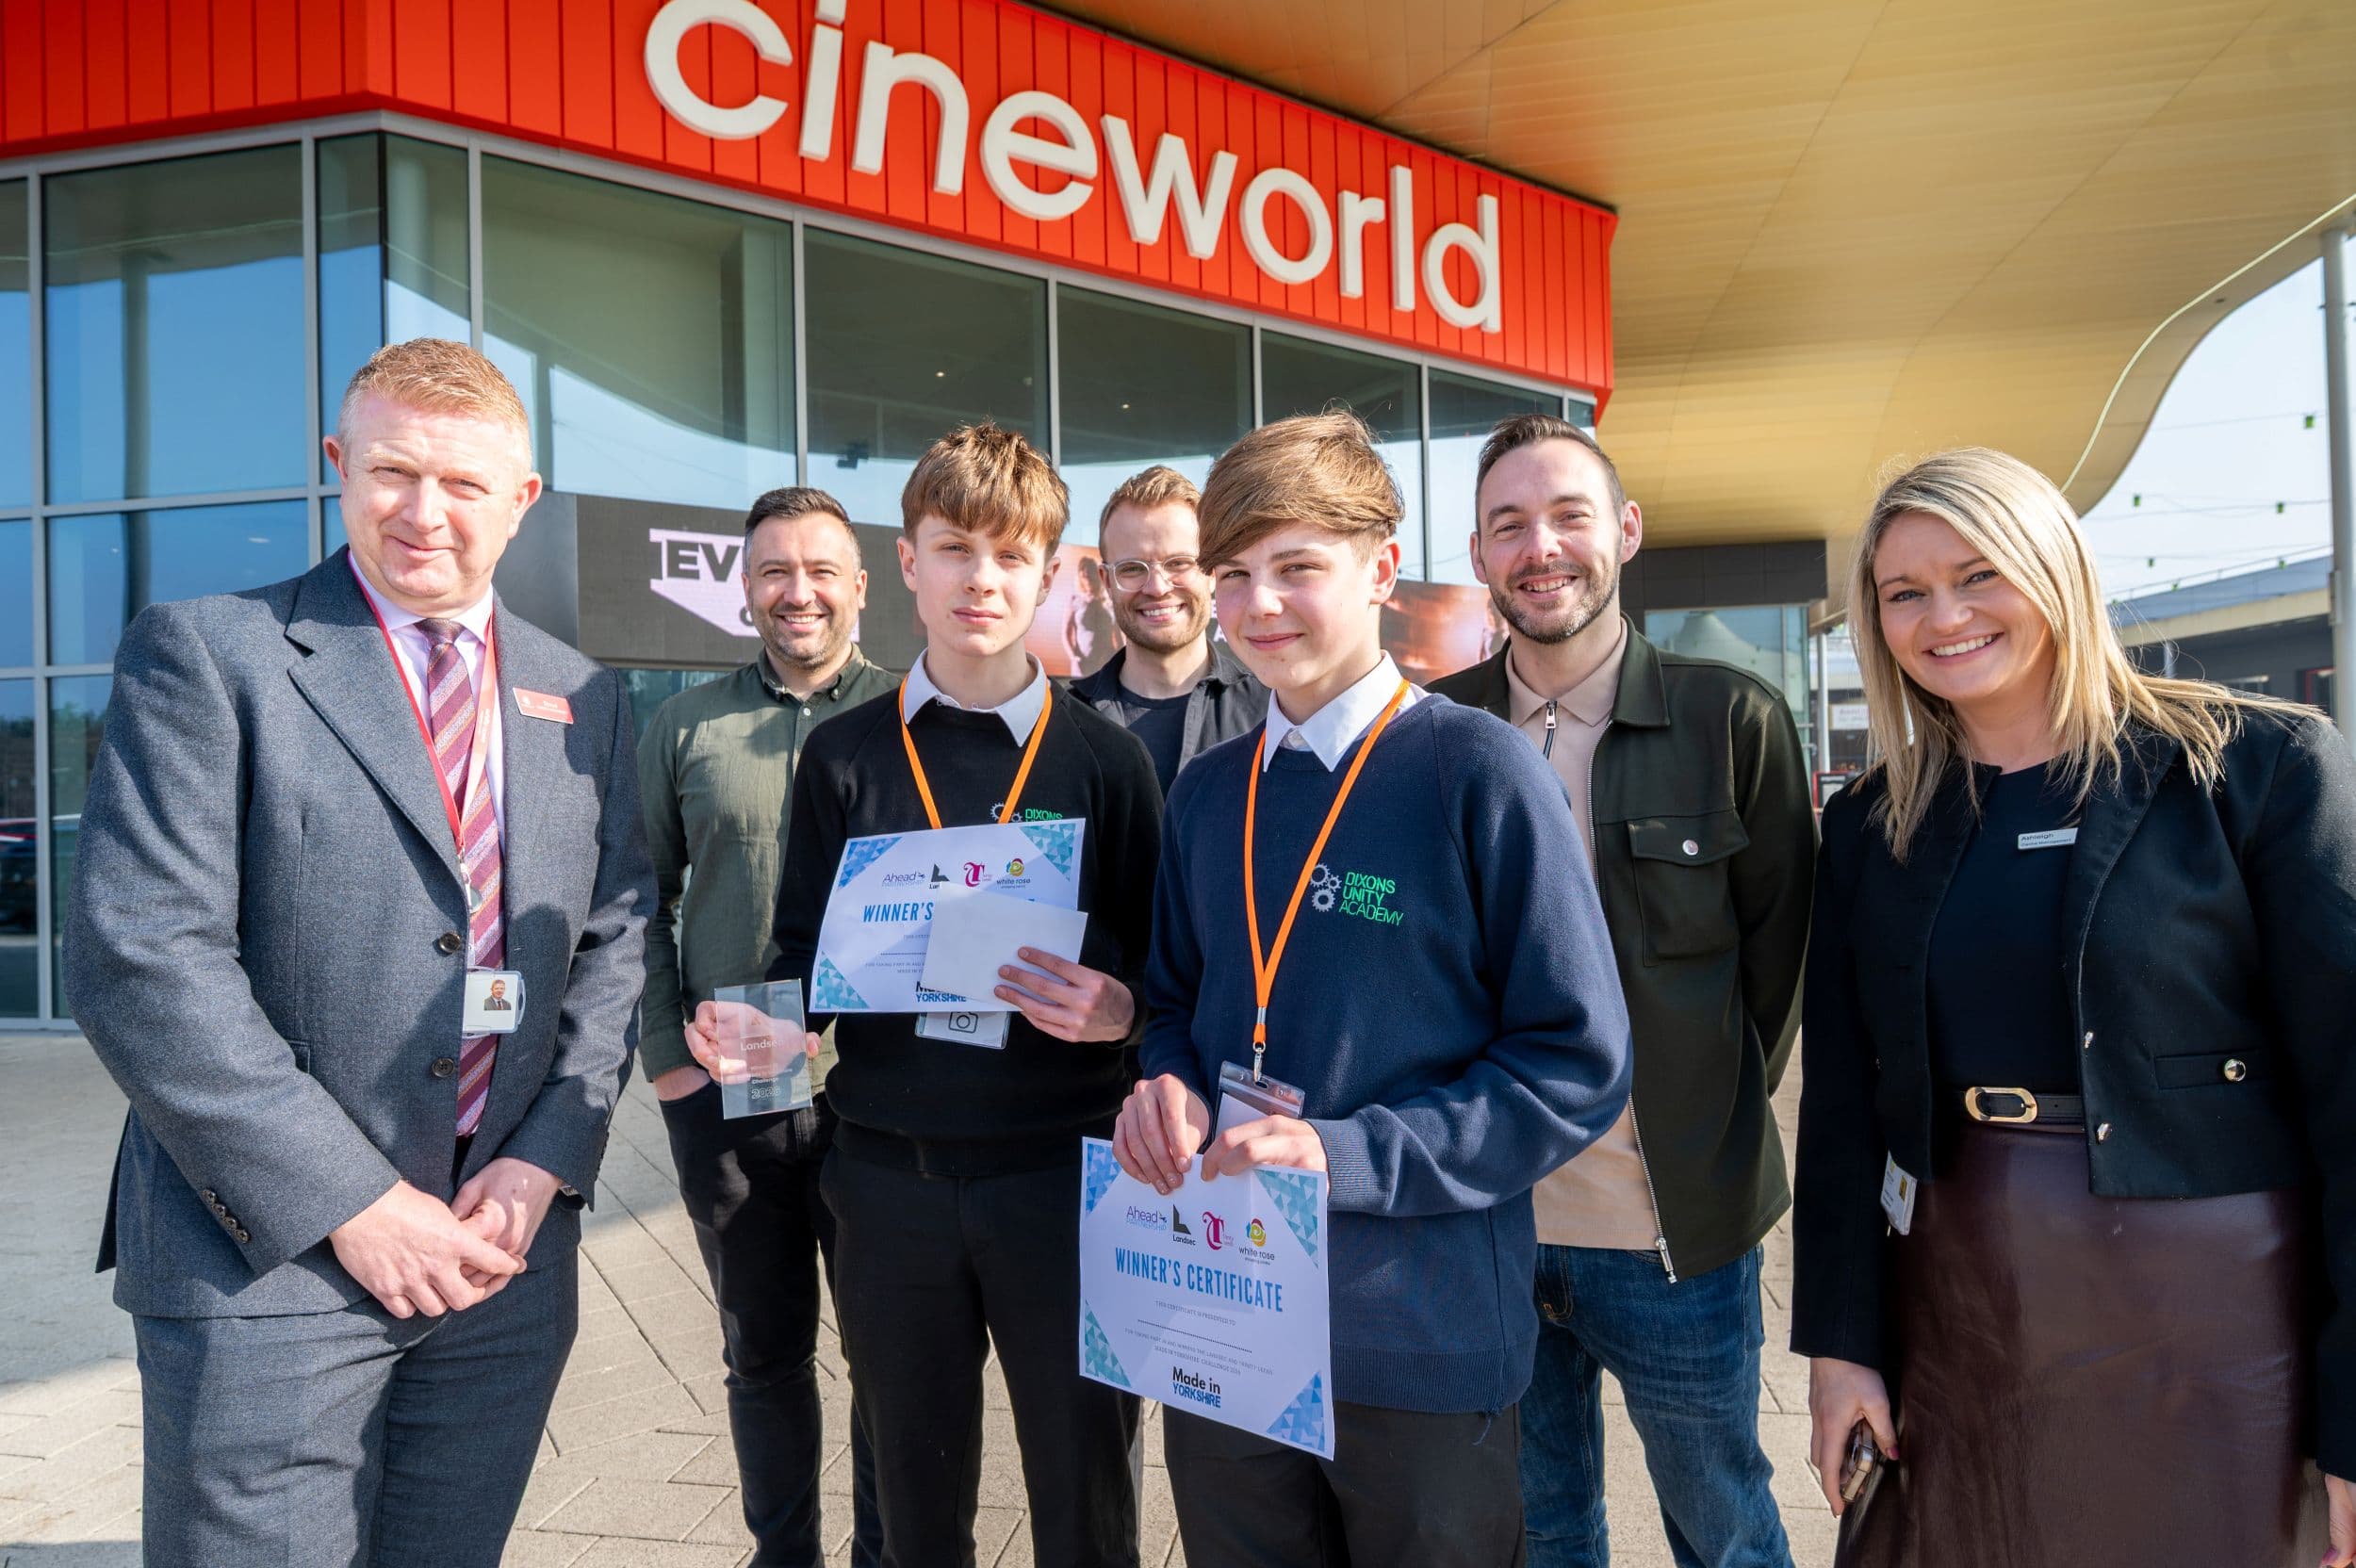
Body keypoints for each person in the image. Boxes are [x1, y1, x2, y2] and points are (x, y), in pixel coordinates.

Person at [65, 338, 653, 1568]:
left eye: (464, 484)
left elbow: (613, 943)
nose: (425, 513)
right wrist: (353, 1203)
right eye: (393, 472)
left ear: (522, 500)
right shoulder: (211, 655)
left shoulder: (582, 696)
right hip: (269, 1274)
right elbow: (145, 961)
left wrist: (545, 1163)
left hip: (500, 1262)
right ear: (339, 464)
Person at [1792, 448, 2356, 1568]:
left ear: (2055, 569)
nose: (1942, 615)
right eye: (1904, 593)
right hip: (1959, 1300)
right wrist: (1840, 1346)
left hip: (2214, 1311)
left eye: (1978, 573)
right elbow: (1843, 1112)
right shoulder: (1871, 825)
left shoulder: (2256, 766)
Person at [1115, 410, 1633, 1568]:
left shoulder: (1476, 770)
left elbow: (1574, 1062)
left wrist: (1346, 1154)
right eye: (1234, 574)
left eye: (1297, 566)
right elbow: (1170, 1004)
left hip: (1419, 1332)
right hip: (1225, 1313)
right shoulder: (1206, 794)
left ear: (1383, 568)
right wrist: (1165, 1087)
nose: (1259, 606)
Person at [688, 423, 1164, 1567]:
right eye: (954, 549)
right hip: (888, 1179)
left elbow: (1162, 969)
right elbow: (805, 953)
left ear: (1051, 575)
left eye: (1010, 556)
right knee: (910, 1497)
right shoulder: (845, 755)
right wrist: (765, 1022)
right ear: (906, 561)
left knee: (1085, 1490)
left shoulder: (1104, 761)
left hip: (1061, 1176)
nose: (981, 579)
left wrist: (1124, 1011)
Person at [1432, 416, 1810, 1568]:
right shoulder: (1436, 731)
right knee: (1539, 1531)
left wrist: (1694, 1129)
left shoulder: (1729, 719)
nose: (1540, 547)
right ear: (1479, 552)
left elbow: (1775, 971)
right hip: (1488, 1227)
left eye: (1567, 516)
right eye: (1509, 526)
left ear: (1626, 532)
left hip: (1670, 1240)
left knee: (1724, 1525)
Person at [636, 486, 892, 1567]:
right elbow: (635, 897)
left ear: (861, 586)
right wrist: (664, 1062)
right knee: (763, 1351)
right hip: (728, 1094)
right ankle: (783, 1555)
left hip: (879, 1091)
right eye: (776, 571)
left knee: (892, 1353)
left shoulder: (915, 713)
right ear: (744, 590)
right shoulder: (684, 723)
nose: (800, 590)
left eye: (823, 569)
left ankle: (891, 1552)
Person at [1067, 465, 1268, 792]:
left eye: (1178, 563)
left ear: (1211, 571)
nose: (1157, 587)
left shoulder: (1271, 715)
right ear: (1106, 582)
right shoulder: (1064, 723)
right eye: (1132, 568)